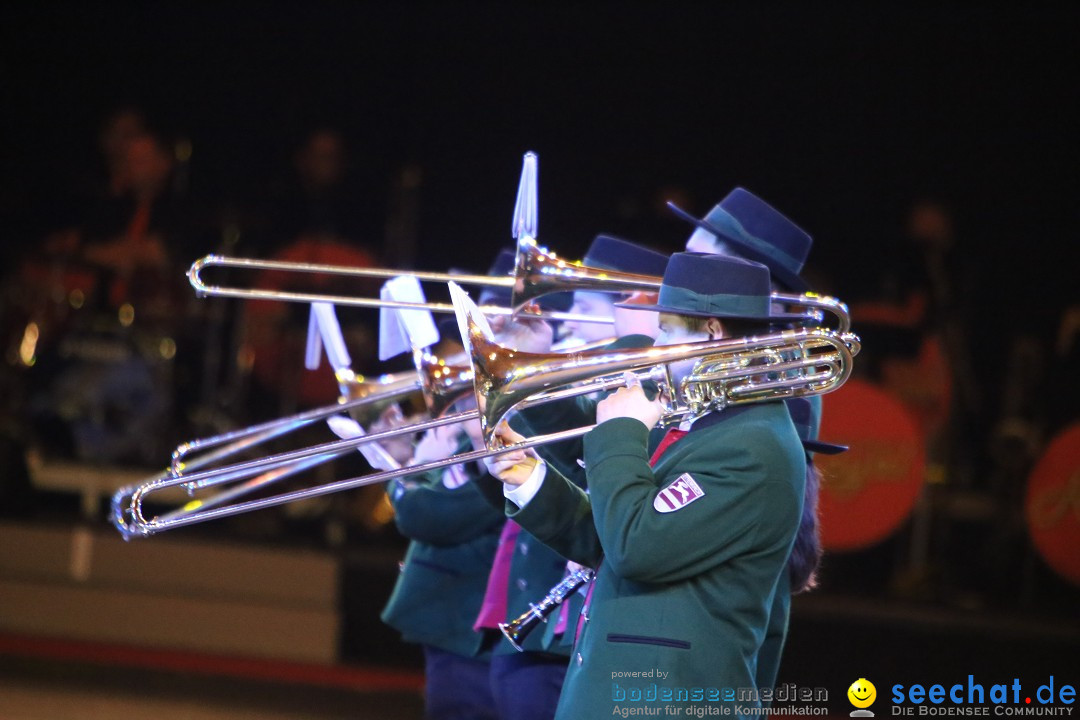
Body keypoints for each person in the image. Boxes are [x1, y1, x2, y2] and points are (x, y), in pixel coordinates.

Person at [483, 253, 807, 719]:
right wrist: (529, 477)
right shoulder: (715, 425)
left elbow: (638, 546)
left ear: (711, 332)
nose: (656, 343)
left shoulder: (752, 444)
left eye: (669, 330)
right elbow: (613, 537)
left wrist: (619, 431)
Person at [471, 235, 668, 720]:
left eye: (583, 302)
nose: (569, 317)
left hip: (593, 632)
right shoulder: (601, 374)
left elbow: (581, 468)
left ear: (640, 305)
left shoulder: (649, 382)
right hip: (545, 626)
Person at [381, 411, 504, 720]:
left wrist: (410, 471)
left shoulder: (516, 428)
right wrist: (404, 456)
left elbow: (425, 515)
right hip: (459, 620)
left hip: (472, 624)